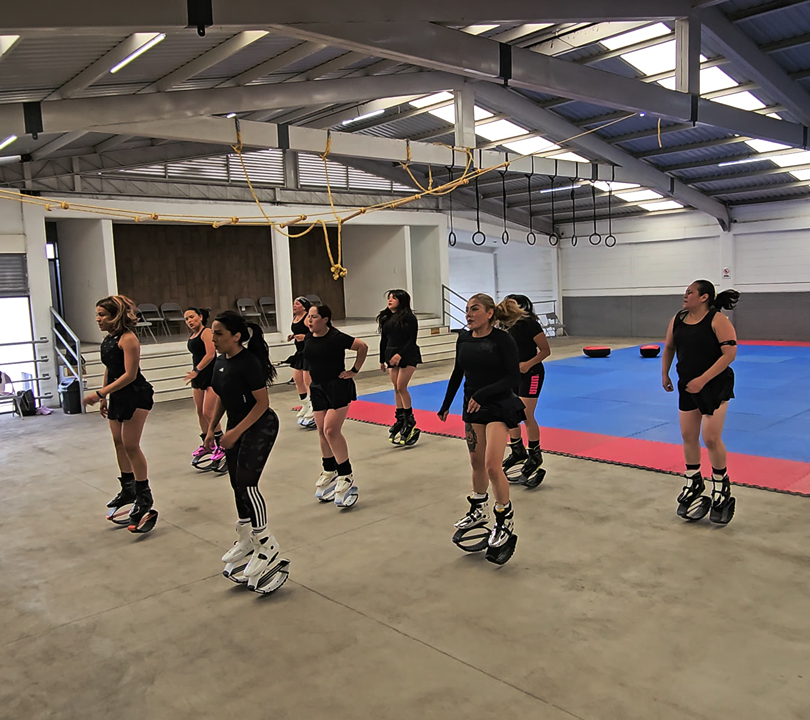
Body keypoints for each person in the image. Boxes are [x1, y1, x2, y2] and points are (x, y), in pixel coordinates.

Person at [438, 294, 525, 565]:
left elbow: (513, 377)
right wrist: (446, 404)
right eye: (467, 310)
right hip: (472, 407)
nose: (468, 314)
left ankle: (504, 517)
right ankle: (478, 509)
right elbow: (457, 372)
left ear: (489, 313)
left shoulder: (503, 340)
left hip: (498, 407)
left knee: (492, 466)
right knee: (476, 463)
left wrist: (483, 394)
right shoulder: (463, 339)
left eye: (474, 309)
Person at [206, 311, 290, 593]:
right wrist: (212, 428)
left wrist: (235, 433)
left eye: (219, 333)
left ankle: (266, 542)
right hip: (235, 426)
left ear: (236, 336)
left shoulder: (248, 362)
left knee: (247, 483)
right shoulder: (220, 361)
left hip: (259, 426)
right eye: (213, 333)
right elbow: (222, 397)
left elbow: (262, 404)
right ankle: (246, 536)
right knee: (235, 484)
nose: (214, 338)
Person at [662, 280, 740, 525]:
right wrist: (665, 374)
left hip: (715, 386)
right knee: (688, 435)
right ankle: (693, 479)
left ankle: (720, 484)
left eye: (690, 292)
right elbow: (669, 347)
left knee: (711, 438)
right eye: (685, 292)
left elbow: (730, 354)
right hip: (688, 385)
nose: (685, 296)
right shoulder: (678, 319)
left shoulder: (718, 320)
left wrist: (703, 380)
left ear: (704, 297)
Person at [82, 296, 157, 534]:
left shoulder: (129, 339)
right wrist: (105, 397)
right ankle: (128, 487)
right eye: (97, 314)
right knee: (118, 442)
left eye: (102, 315)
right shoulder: (108, 340)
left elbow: (129, 374)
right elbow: (110, 368)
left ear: (115, 316)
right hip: (117, 395)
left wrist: (99, 393)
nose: (98, 319)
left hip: (135, 394)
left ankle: (143, 495)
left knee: (131, 445)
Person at [304, 304, 369, 508]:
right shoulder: (309, 337)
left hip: (337, 387)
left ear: (325, 319)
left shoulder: (336, 337)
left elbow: (362, 346)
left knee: (331, 430)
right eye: (309, 317)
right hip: (317, 388)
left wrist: (354, 370)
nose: (310, 320)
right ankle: (329, 470)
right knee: (321, 431)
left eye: (314, 317)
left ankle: (345, 474)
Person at [501, 294, 551, 488]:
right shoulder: (504, 325)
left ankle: (535, 455)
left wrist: (528, 364)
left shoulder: (530, 324)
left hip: (532, 373)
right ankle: (517, 450)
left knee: (526, 414)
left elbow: (545, 350)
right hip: (512, 374)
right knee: (511, 413)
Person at [377, 289, 422, 446]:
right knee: (396, 387)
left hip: (407, 353)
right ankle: (400, 418)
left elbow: (412, 340)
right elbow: (384, 340)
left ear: (401, 301)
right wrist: (382, 359)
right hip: (391, 353)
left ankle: (409, 419)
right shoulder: (386, 318)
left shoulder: (409, 318)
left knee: (402, 386)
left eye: (393, 298)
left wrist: (400, 355)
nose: (390, 300)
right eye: (389, 298)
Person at [183, 307, 225, 470]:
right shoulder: (193, 335)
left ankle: (222, 445)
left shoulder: (206, 332)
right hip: (198, 377)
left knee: (209, 412)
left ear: (200, 317)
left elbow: (210, 354)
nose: (189, 321)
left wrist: (196, 370)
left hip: (210, 375)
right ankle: (208, 443)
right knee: (200, 412)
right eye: (186, 319)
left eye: (191, 317)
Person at [286, 296, 315, 429]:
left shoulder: (307, 318)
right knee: (298, 379)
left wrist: (304, 337)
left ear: (304, 306)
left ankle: (314, 404)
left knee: (307, 380)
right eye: (294, 303)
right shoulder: (295, 318)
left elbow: (314, 333)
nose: (294, 305)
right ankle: (306, 403)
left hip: (308, 351)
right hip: (299, 352)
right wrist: (293, 336)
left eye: (297, 304)